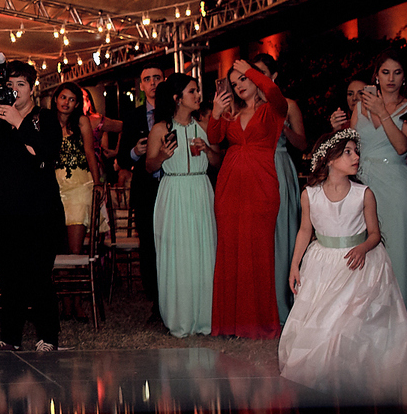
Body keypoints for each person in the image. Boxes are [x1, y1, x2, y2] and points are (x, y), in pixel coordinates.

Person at [279, 130, 407, 397]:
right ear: (329, 159)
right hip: (322, 264)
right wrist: (294, 265)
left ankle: (353, 380)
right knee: (320, 323)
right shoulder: (311, 195)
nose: (356, 157)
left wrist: (363, 247)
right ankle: (324, 381)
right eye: (347, 152)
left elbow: (374, 234)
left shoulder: (363, 194)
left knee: (345, 326)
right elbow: (305, 231)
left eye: (356, 151)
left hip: (357, 266)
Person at [0, 59, 64, 351]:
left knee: (39, 276)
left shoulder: (43, 118)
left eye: (21, 84)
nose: (15, 91)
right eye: (9, 86)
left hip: (40, 211)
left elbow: (45, 154)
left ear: (32, 89)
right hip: (3, 210)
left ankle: (48, 336)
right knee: (10, 278)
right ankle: (10, 338)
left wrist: (19, 122)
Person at [208, 58, 289, 339]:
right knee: (229, 251)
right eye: (234, 83)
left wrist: (250, 70)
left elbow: (276, 92)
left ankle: (260, 324)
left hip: (262, 187)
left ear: (254, 79)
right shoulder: (230, 114)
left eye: (242, 79)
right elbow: (214, 137)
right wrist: (216, 113)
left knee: (259, 252)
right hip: (229, 187)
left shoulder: (272, 111)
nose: (239, 85)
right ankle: (229, 324)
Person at [145, 73, 219, 338]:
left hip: (200, 190)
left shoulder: (204, 125)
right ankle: (180, 317)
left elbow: (217, 162)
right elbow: (149, 166)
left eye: (198, 91)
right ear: (177, 98)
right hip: (173, 191)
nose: (198, 96)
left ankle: (204, 317)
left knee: (203, 250)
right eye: (192, 91)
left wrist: (208, 150)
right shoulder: (160, 129)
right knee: (177, 254)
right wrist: (162, 156)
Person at [351, 50, 407, 309]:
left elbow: (402, 147)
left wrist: (383, 112)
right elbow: (351, 147)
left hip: (395, 188)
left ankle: (401, 322)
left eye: (397, 72)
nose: (391, 78)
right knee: (364, 255)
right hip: (364, 188)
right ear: (376, 76)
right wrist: (336, 130)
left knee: (397, 255)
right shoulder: (358, 106)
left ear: (404, 77)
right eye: (385, 72)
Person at [251, 53, 308, 324]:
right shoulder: (246, 108)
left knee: (282, 234)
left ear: (273, 78)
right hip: (253, 170)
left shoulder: (288, 105)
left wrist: (285, 131)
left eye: (262, 73)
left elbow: (303, 144)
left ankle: (283, 304)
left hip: (279, 167)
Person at [118, 63, 166, 320]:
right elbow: (123, 161)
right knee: (148, 245)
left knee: (171, 243)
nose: (153, 82)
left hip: (172, 186)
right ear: (141, 85)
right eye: (148, 79)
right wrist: (136, 152)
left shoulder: (172, 112)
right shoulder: (133, 116)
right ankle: (155, 302)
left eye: (157, 77)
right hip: (145, 189)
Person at [53, 82, 102, 255]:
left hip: (79, 186)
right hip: (53, 187)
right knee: (55, 247)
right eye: (63, 97)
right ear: (56, 99)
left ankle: (80, 279)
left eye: (71, 99)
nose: (66, 102)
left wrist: (97, 184)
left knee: (75, 248)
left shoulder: (82, 121)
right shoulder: (47, 121)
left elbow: (90, 152)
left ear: (77, 103)